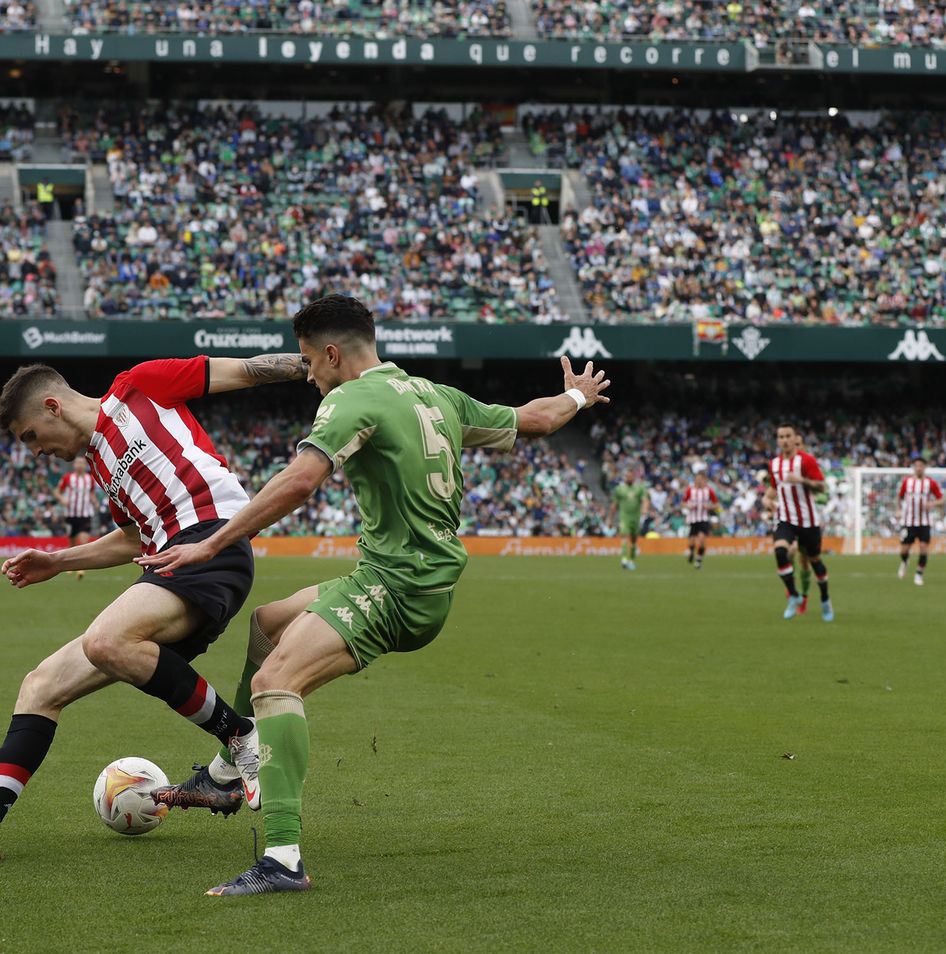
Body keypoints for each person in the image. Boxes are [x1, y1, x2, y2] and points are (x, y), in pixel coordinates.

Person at [136, 295, 611, 896]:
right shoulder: (436, 396)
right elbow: (534, 419)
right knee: (266, 623)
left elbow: (301, 479)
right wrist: (576, 397)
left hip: (398, 586)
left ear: (333, 354)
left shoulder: (349, 400)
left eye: (309, 361)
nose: (307, 374)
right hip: (406, 577)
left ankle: (283, 860)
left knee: (274, 683)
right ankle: (231, 771)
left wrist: (214, 543)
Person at [0, 351, 308, 863]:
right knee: (41, 684)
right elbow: (131, 539)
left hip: (214, 543)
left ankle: (242, 738)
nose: (36, 452)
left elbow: (246, 371)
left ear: (53, 407)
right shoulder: (100, 464)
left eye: (31, 437)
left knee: (105, 640)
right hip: (169, 565)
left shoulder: (139, 388)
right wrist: (58, 559)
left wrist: (312, 363)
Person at [769, 424, 832, 622]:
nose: (785, 440)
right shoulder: (774, 464)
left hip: (808, 521)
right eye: (781, 437)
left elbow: (822, 487)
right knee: (780, 551)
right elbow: (774, 487)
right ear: (777, 440)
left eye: (788, 436)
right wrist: (766, 498)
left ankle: (825, 599)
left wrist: (801, 480)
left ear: (795, 438)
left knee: (814, 562)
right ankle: (794, 595)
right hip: (786, 519)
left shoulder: (806, 461)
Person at [897, 457, 943, 586]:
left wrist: (932, 503)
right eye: (916, 465)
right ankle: (905, 562)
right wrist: (898, 509)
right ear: (913, 467)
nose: (919, 468)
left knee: (923, 548)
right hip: (908, 521)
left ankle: (918, 574)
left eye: (921, 466)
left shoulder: (931, 483)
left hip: (924, 522)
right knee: (904, 550)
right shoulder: (907, 482)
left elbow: (941, 499)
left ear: (924, 467)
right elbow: (900, 497)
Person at [56, 456, 100, 581]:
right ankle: (71, 565)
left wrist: (94, 501)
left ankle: (81, 568)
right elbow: (57, 492)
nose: (80, 465)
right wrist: (62, 499)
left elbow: (91, 493)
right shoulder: (68, 478)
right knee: (72, 542)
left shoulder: (89, 479)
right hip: (70, 514)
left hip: (85, 514)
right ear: (74, 465)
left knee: (84, 540)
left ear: (84, 465)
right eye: (78, 463)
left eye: (82, 463)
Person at [609, 465, 651, 570]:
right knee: (623, 536)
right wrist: (610, 518)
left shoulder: (639, 488)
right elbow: (614, 505)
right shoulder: (619, 489)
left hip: (636, 517)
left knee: (633, 540)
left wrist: (645, 509)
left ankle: (631, 560)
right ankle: (624, 560)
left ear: (634, 477)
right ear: (625, 477)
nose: (629, 478)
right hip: (624, 517)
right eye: (627, 476)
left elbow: (645, 500)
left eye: (631, 476)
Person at [682, 470, 719, 569]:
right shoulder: (690, 490)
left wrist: (709, 507)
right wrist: (688, 506)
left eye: (700, 479)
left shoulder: (709, 490)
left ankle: (698, 561)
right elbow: (683, 503)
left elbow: (716, 504)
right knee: (691, 542)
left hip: (703, 518)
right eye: (696, 479)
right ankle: (691, 553)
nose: (698, 481)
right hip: (693, 519)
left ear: (704, 480)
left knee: (702, 540)